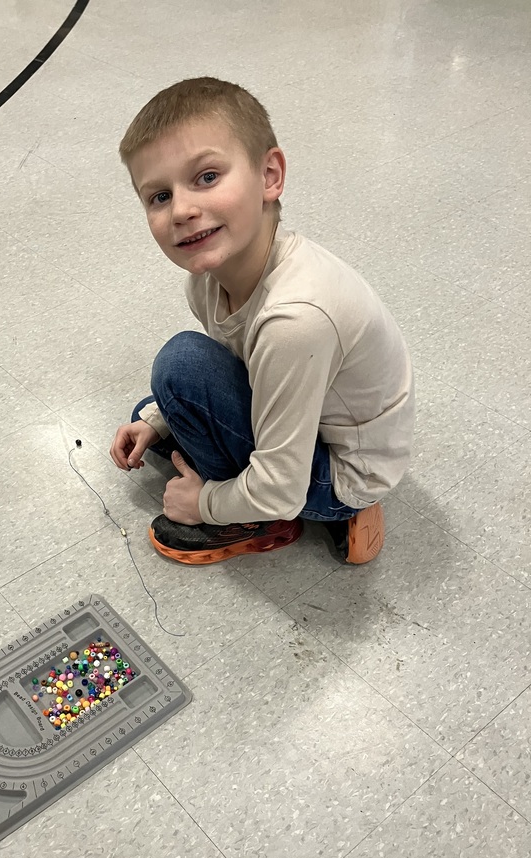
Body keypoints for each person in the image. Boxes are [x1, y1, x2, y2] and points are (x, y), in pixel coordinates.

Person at [109, 77, 414, 566]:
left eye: (207, 177)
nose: (183, 210)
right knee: (157, 406)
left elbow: (280, 484)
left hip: (343, 473)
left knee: (181, 369)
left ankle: (266, 518)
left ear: (270, 175)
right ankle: (246, 481)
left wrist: (204, 504)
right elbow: (241, 361)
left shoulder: (297, 318)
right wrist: (158, 420)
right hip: (311, 420)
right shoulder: (207, 280)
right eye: (158, 196)